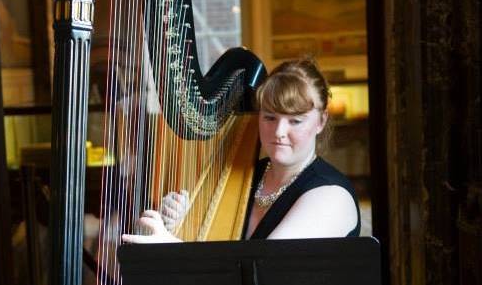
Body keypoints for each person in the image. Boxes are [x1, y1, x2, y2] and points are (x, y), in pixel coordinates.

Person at [122, 58, 360, 244]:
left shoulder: (331, 196)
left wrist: (173, 247)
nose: (278, 131)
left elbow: (261, 271)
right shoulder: (245, 175)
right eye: (269, 117)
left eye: (295, 121)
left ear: (321, 121)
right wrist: (179, 221)